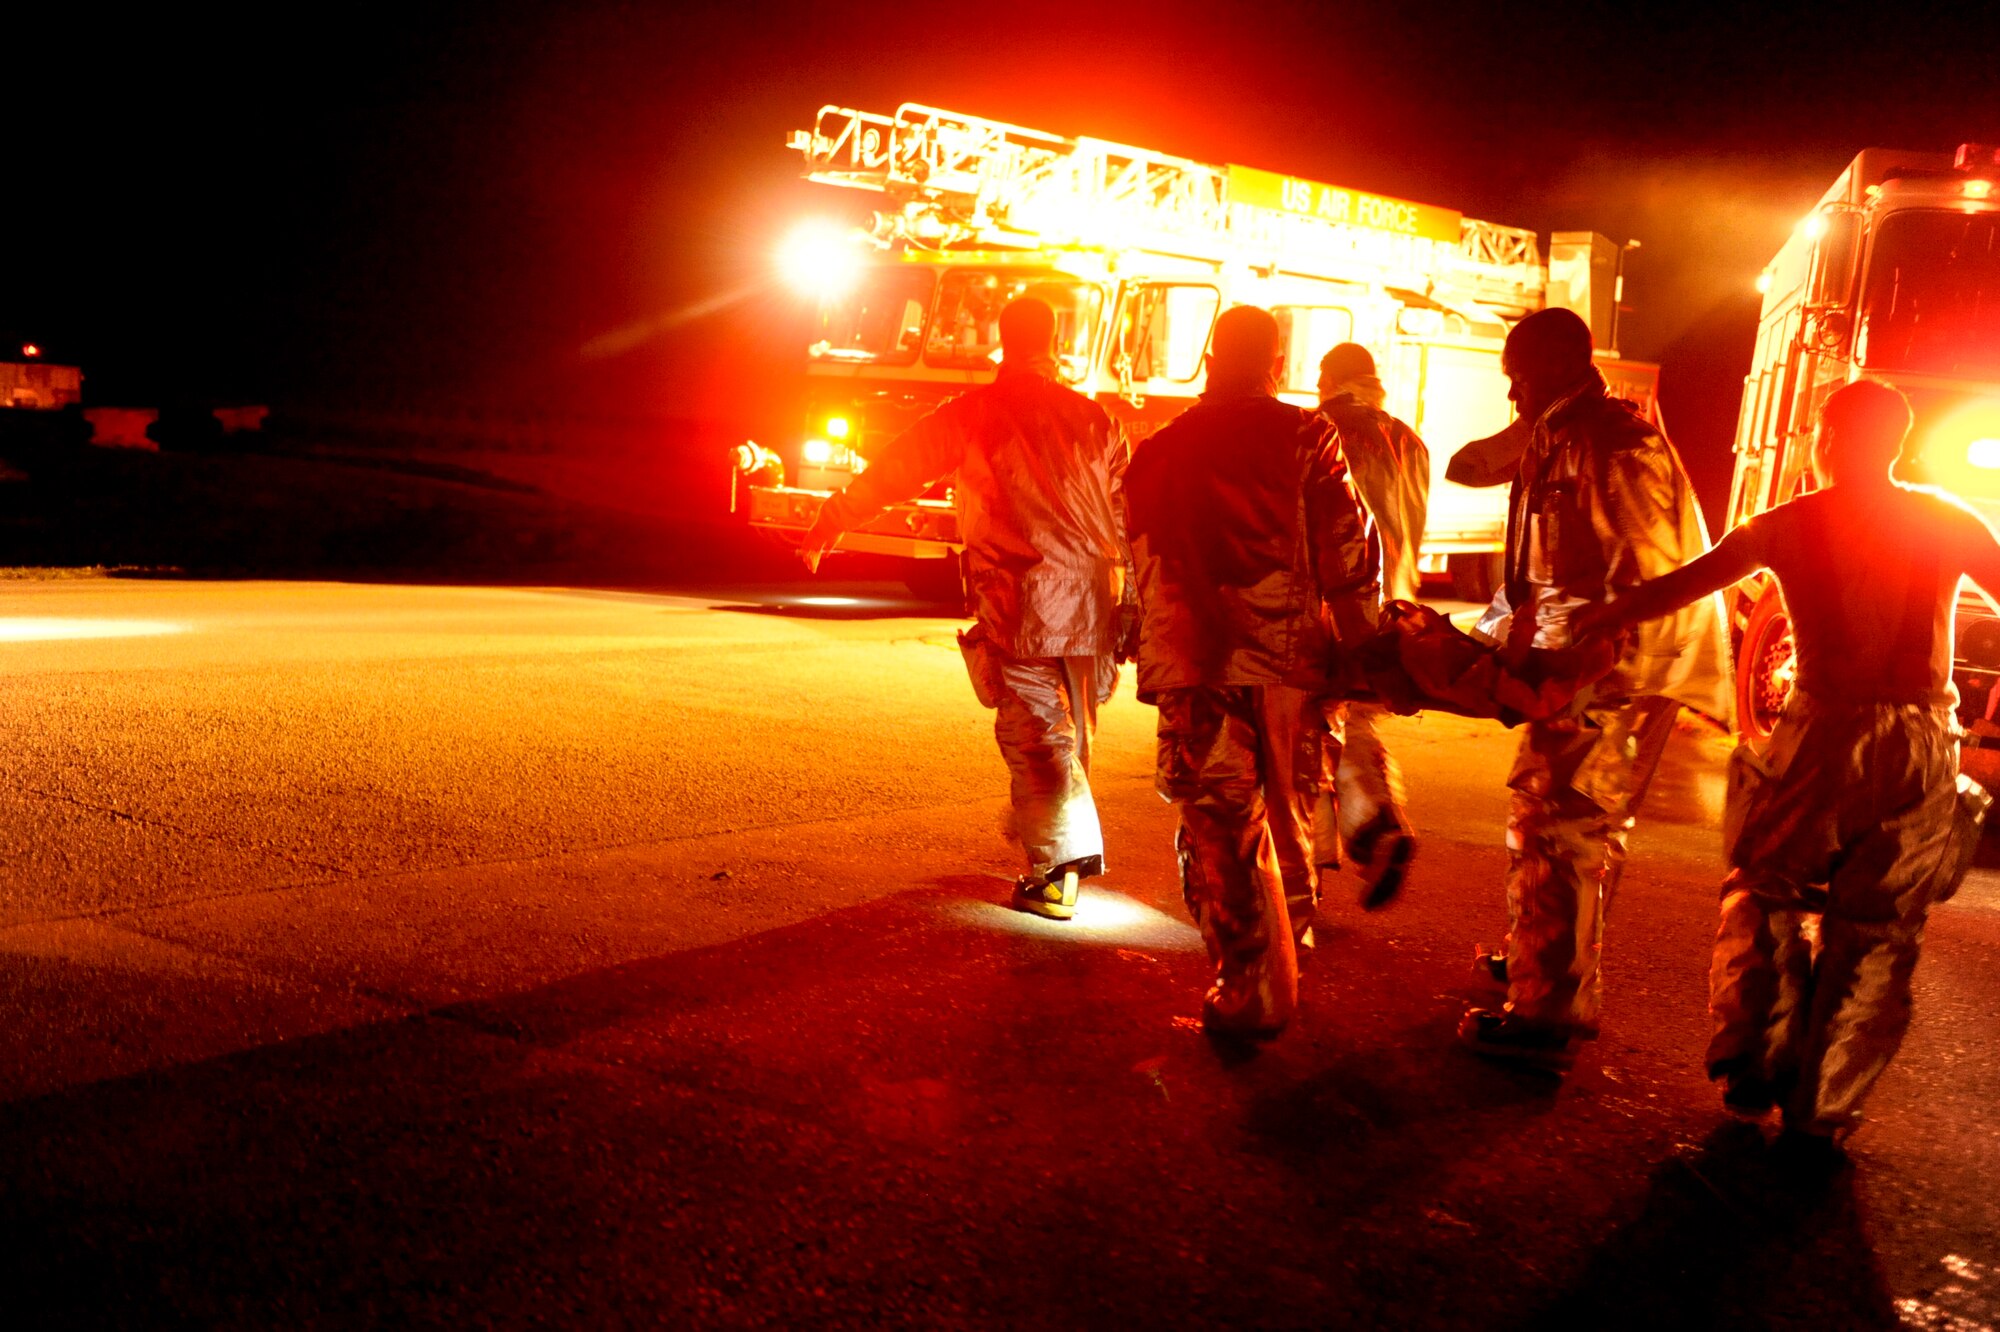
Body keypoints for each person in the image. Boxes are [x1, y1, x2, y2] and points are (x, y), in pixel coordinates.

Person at [1571, 381, 1993, 1157]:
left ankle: (1756, 1063)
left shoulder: (1789, 524)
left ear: (1825, 437)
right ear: (1898, 441)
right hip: (1925, 738)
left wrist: (1598, 614)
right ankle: (1821, 1112)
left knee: (1765, 892)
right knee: (1878, 929)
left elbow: (1683, 586)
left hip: (1822, 731)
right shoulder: (1950, 521)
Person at [1458, 307, 1731, 1069]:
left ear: (1548, 367)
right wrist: (1490, 647)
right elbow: (1541, 568)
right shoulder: (1561, 433)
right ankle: (1546, 958)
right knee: (1566, 825)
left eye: (1516, 377)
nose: (1509, 395)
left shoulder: (1614, 441)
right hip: (1592, 664)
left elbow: (1635, 576)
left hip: (1617, 672)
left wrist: (1573, 666)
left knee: (1560, 824)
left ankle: (1547, 1011)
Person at [799, 298, 1132, 921]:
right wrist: (1133, 599)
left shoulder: (976, 413)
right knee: (1069, 734)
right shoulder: (1098, 420)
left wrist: (831, 520)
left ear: (1002, 343)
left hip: (1023, 597)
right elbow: (1127, 514)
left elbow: (897, 466)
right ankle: (1051, 834)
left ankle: (1057, 873)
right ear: (1055, 341)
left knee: (1035, 735)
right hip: (1093, 604)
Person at [1126, 305, 1380, 1038]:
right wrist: (1364, 646)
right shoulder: (1306, 434)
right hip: (1289, 663)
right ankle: (1285, 955)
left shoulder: (1161, 448)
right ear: (1275, 364)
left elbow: (1139, 556)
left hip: (1193, 660)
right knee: (1288, 814)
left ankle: (1249, 979)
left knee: (1220, 825)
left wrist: (1146, 644)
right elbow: (1346, 547)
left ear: (1208, 357)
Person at [1316, 342, 1428, 908]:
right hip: (1395, 611)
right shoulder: (1411, 440)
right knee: (1359, 724)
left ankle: (1367, 833)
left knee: (1316, 732)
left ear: (1329, 379)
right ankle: (1373, 832)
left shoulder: (1323, 430)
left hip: (1336, 606)